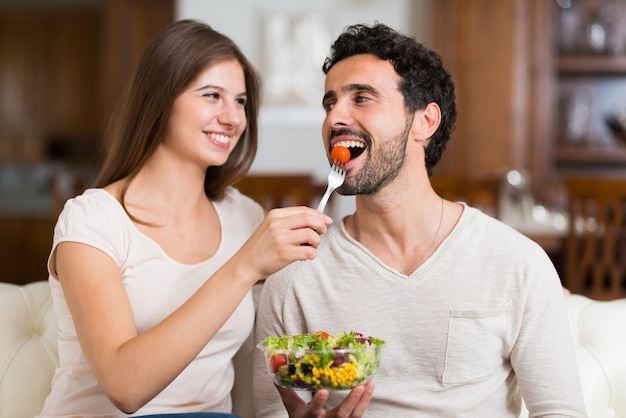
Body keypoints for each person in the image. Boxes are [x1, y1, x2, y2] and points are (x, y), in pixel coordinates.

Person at [253, 23, 588, 418]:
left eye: (361, 98)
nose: (335, 118)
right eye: (330, 103)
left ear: (425, 122)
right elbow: (270, 411)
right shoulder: (293, 277)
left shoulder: (517, 263)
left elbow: (560, 412)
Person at [38, 20, 332, 418]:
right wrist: (243, 265)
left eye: (241, 101)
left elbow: (302, 323)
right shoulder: (92, 221)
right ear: (160, 100)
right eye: (212, 95)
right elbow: (125, 386)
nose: (232, 118)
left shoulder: (245, 216)